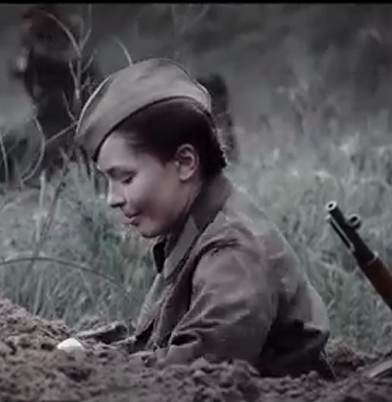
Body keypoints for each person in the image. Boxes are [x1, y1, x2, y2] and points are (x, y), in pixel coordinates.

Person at [71, 58, 334, 379]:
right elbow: (158, 342)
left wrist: (91, 364)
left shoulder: (233, 254)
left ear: (185, 163)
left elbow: (195, 371)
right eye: (108, 181)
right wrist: (88, 351)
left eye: (125, 178)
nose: (112, 198)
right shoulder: (196, 225)